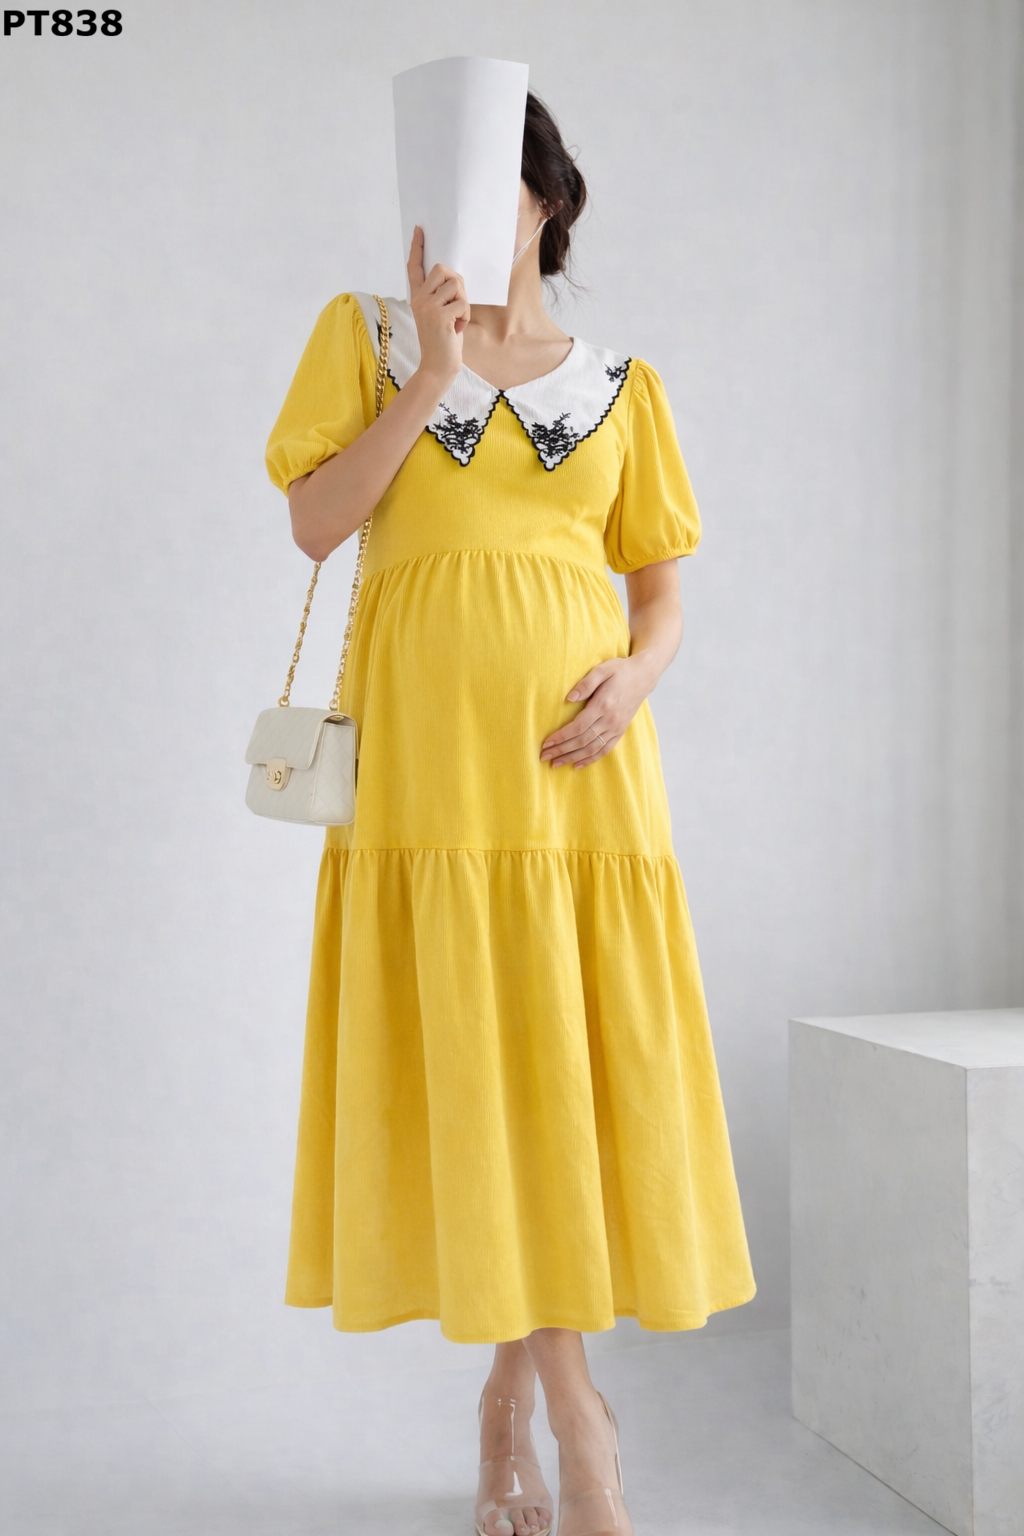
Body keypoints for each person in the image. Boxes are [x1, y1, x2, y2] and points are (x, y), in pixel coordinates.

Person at [264, 91, 756, 1536]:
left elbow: (659, 594)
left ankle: (511, 1404)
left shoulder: (622, 385)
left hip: (579, 788)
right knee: (485, 1071)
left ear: (548, 199)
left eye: (492, 187)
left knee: (550, 1076)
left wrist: (637, 681)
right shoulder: (366, 337)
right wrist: (431, 371)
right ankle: (577, 1421)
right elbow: (317, 524)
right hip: (430, 787)